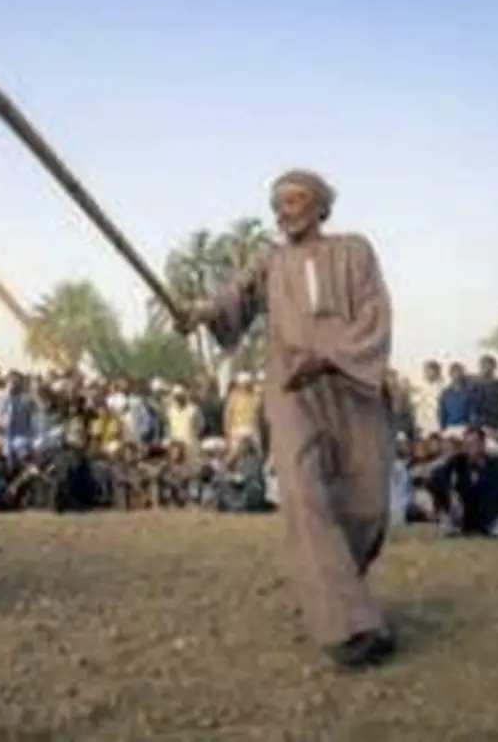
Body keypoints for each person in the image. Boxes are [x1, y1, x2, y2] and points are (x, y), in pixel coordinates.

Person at [175, 168, 396, 670]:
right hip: (292, 389)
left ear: (321, 206)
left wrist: (328, 356)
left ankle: (340, 591)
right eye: (277, 204)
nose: (284, 210)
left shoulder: (354, 250)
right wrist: (200, 313)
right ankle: (347, 627)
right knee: (302, 495)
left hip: (353, 382)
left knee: (367, 507)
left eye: (295, 200)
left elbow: (375, 315)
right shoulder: (268, 262)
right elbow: (229, 303)